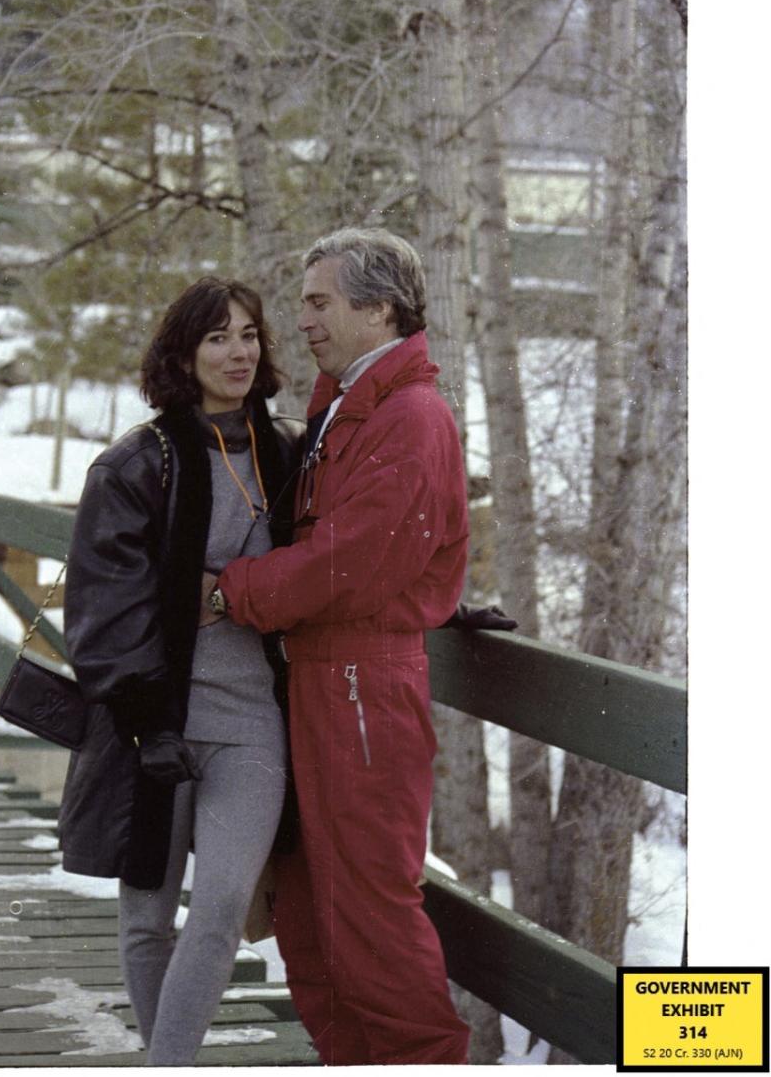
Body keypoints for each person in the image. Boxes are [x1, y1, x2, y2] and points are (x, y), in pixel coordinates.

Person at [204, 227, 474, 1064]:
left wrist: (228, 592)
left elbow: (349, 564)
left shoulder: (410, 416)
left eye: (320, 302)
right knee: (308, 915)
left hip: (362, 687)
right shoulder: (347, 405)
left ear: (379, 309)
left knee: (368, 916)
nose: (304, 319)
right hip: (320, 681)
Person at [57, 277, 303, 1066]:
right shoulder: (138, 462)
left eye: (250, 335)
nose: (238, 352)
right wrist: (142, 720)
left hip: (249, 717)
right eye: (217, 338)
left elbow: (354, 555)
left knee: (225, 900)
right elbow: (101, 608)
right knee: (148, 916)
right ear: (183, 353)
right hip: (152, 720)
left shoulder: (287, 453)